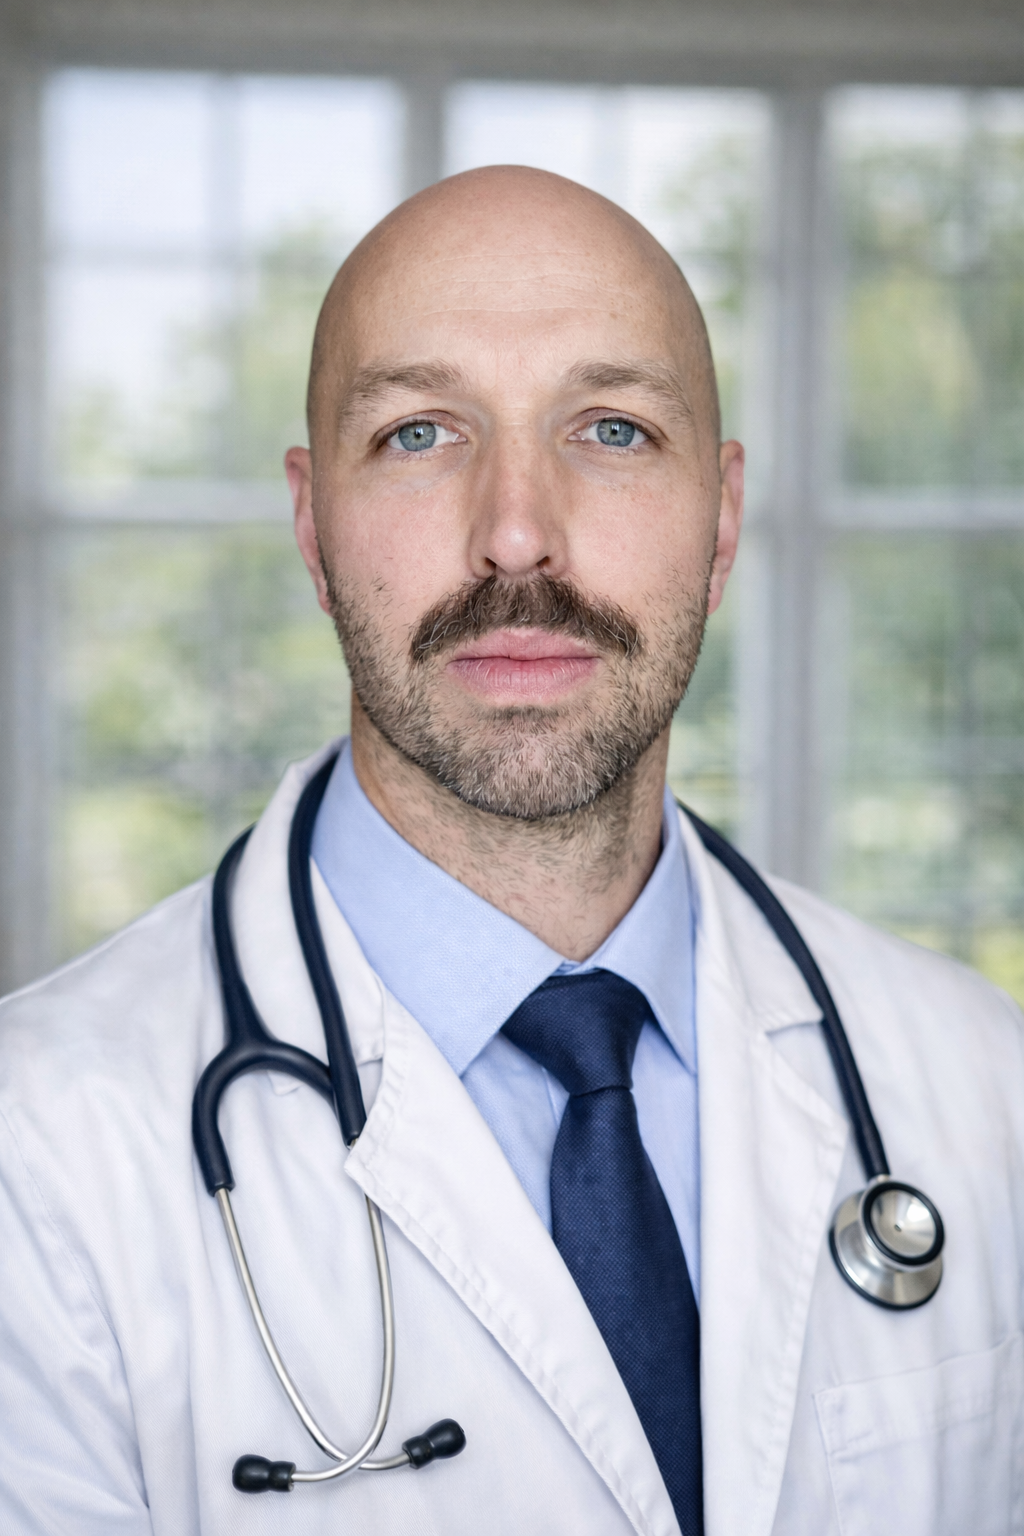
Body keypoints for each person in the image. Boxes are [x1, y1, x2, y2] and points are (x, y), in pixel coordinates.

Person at [1, 166, 1023, 1536]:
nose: (518, 535)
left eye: (613, 428)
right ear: (312, 527)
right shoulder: (37, 1153)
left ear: (722, 521)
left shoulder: (983, 1085)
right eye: (420, 433)